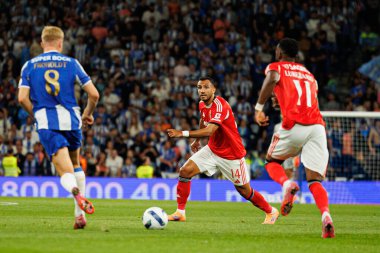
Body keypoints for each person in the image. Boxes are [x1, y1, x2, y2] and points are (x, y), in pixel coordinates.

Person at [166, 76, 279, 224]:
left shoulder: (221, 106)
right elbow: (203, 120)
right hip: (212, 150)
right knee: (185, 171)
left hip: (232, 155)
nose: (202, 90)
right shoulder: (202, 104)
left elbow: (210, 130)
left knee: (244, 191)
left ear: (213, 89)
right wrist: (197, 140)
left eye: (206, 87)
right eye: (199, 87)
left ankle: (271, 211)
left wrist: (183, 133)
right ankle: (180, 212)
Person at [18, 26, 99, 229]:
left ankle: (74, 191)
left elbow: (22, 98)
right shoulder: (72, 63)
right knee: (76, 164)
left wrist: (36, 115)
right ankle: (79, 216)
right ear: (61, 43)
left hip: (47, 121)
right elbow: (94, 95)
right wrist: (87, 113)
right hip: (72, 119)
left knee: (64, 170)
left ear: (42, 42)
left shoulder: (29, 65)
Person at [254, 38, 334, 238]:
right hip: (316, 127)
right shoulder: (309, 74)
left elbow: (272, 78)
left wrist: (258, 108)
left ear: (280, 53)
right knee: (315, 181)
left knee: (271, 162)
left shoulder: (276, 67)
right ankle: (326, 215)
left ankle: (287, 184)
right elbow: (305, 98)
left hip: (294, 125)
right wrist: (281, 100)